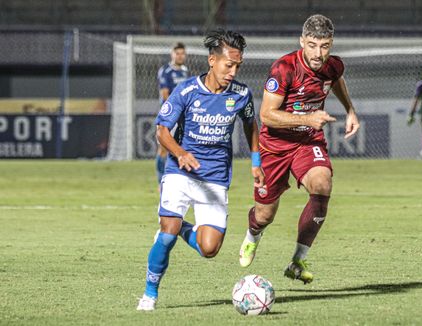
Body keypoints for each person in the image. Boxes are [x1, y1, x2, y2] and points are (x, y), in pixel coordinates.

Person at [137, 29, 264, 311]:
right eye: (228, 65)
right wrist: (181, 153)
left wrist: (256, 164)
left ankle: (177, 226)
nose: (233, 71)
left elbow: (250, 125)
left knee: (209, 249)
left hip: (215, 177)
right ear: (212, 60)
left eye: (237, 66)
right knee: (166, 234)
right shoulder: (186, 91)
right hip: (181, 172)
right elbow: (161, 131)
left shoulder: (242, 94)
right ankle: (149, 294)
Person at [238, 14, 360, 284]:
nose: (319, 53)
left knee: (322, 183)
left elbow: (336, 80)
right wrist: (307, 118)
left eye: (325, 45)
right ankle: (252, 235)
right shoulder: (284, 69)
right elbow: (267, 115)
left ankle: (297, 260)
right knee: (264, 214)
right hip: (275, 147)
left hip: (308, 141)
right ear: (302, 41)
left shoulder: (333, 65)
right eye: (313, 45)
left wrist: (350, 109)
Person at [155, 42, 189, 185]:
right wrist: (177, 110)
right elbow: (165, 95)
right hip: (169, 117)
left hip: (183, 116)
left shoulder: (185, 71)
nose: (180, 56)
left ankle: (181, 179)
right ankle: (160, 181)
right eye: (177, 53)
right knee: (164, 149)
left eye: (182, 53)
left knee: (183, 147)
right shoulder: (165, 71)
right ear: (172, 54)